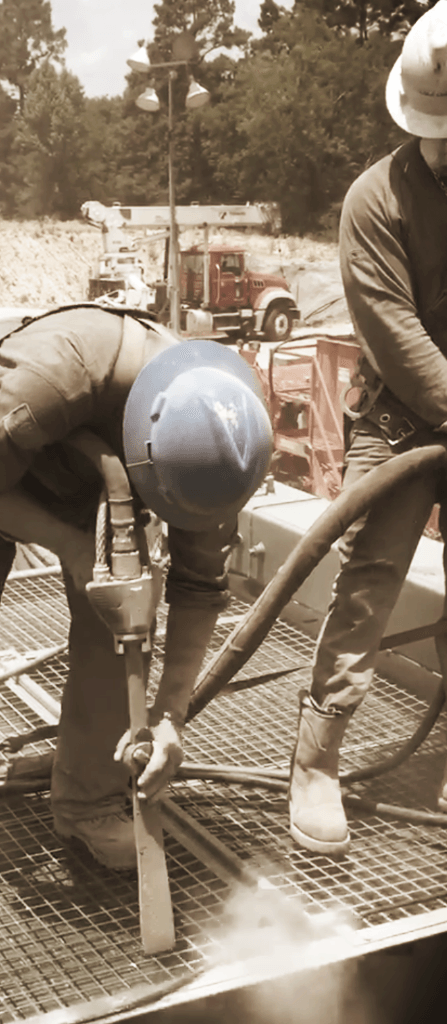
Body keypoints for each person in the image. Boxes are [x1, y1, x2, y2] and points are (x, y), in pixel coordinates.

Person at [0, 303, 273, 919]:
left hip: (95, 488)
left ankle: (88, 802)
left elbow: (198, 587)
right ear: (145, 446)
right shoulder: (62, 373)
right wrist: (68, 545)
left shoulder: (224, 438)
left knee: (118, 634)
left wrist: (170, 718)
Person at [288, 0, 447, 856]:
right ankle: (315, 762)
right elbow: (397, 336)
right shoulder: (374, 203)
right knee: (370, 580)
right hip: (400, 418)